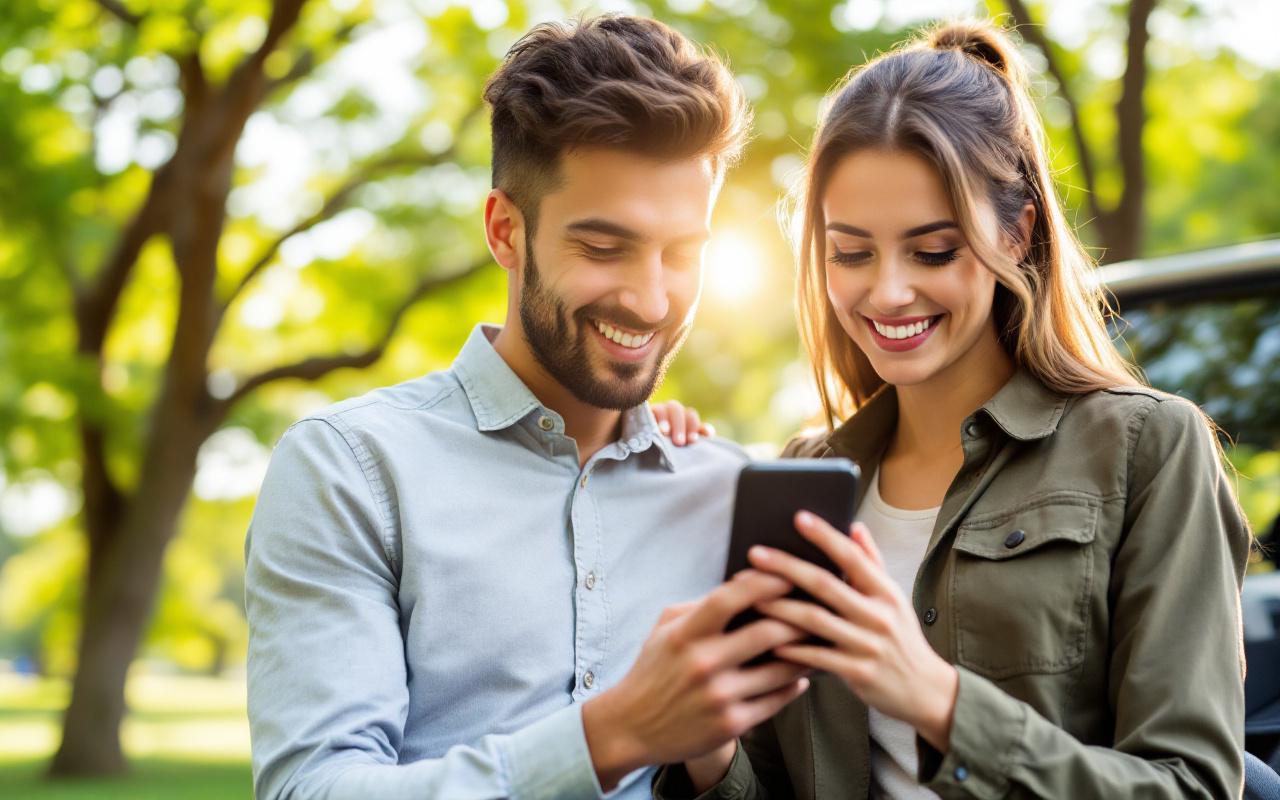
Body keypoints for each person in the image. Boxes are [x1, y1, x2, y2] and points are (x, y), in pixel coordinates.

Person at [653, 19, 1252, 799]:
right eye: (852, 251)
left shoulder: (1147, 448)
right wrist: (706, 751)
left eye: (933, 250)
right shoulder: (804, 481)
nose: (888, 291)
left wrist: (938, 702)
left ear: (1018, 231)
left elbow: (1195, 786)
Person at [243, 16, 812, 800]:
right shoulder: (351, 469)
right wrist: (615, 736)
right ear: (505, 230)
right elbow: (314, 790)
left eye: (682, 254)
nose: (651, 300)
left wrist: (715, 763)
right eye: (604, 248)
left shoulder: (732, 489)